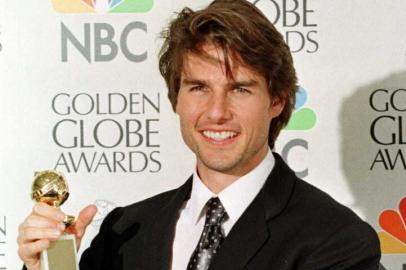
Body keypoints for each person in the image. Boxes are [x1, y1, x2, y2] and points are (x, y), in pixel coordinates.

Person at [18, 0, 381, 269]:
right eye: (198, 88)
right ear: (176, 98)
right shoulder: (126, 230)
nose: (217, 112)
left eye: (240, 88)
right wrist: (46, 265)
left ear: (277, 100)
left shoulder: (337, 241)